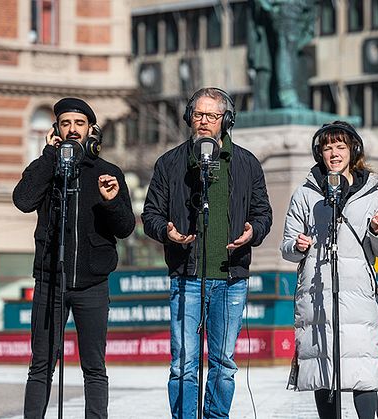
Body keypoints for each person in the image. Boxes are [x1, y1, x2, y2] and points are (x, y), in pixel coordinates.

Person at [142, 87, 272, 418]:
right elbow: (151, 215)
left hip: (230, 280)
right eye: (198, 114)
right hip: (186, 277)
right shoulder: (170, 163)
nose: (204, 122)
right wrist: (166, 232)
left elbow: (263, 214)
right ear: (189, 118)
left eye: (212, 116)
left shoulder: (246, 163)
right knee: (183, 363)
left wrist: (252, 232)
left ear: (226, 121)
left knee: (223, 364)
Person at [13, 97, 135, 418]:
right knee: (40, 365)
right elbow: (23, 200)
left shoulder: (108, 173)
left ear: (91, 130)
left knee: (94, 366)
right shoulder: (47, 168)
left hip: (92, 284)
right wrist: (49, 157)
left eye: (79, 124)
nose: (72, 129)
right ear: (56, 130)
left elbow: (125, 228)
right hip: (50, 281)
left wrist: (111, 201)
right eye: (65, 123)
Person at [281, 121, 378, 419]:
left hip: (357, 296)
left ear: (353, 150)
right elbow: (286, 248)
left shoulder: (373, 192)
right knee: (324, 368)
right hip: (317, 294)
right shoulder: (306, 194)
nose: (334, 153)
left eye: (340, 147)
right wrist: (299, 245)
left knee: (362, 369)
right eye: (327, 147)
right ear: (319, 153)